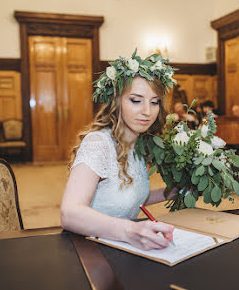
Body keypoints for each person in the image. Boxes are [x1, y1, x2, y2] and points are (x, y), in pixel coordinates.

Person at [61, 50, 179, 251]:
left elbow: (130, 197)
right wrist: (130, 232)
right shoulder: (98, 143)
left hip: (122, 245)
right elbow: (69, 213)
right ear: (117, 101)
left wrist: (173, 191)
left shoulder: (138, 145)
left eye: (154, 102)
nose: (147, 112)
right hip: (89, 247)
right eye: (136, 100)